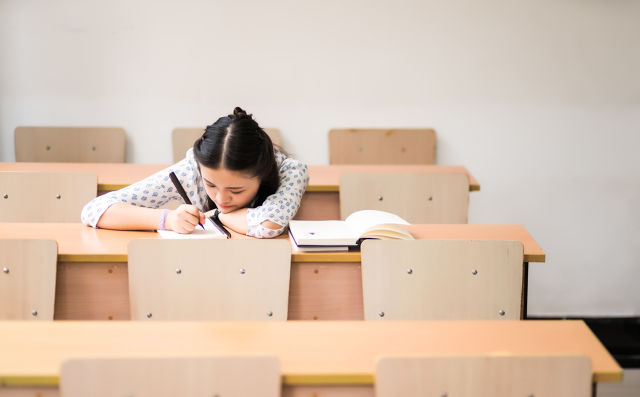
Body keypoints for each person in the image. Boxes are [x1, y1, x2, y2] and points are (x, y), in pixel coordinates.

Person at [81, 107, 309, 238]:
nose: (221, 199)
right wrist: (167, 219)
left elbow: (269, 225)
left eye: (236, 190)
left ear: (262, 174)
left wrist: (216, 215)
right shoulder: (191, 170)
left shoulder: (290, 171)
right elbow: (94, 210)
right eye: (211, 185)